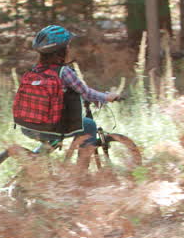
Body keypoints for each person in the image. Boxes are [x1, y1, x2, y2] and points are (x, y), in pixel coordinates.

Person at [17, 25, 122, 153]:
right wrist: (107, 97)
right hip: (49, 128)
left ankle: (35, 160)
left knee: (52, 137)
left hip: (27, 126)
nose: (69, 48)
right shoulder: (63, 72)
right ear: (62, 51)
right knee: (89, 125)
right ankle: (80, 171)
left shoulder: (35, 71)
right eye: (67, 46)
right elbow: (86, 92)